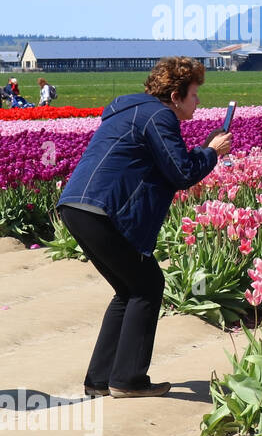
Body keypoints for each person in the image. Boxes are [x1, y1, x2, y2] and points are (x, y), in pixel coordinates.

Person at [56, 57, 233, 398]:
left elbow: (167, 164)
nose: (199, 101)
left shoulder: (130, 110)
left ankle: (100, 380)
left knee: (130, 289)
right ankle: (127, 380)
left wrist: (204, 150)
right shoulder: (160, 116)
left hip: (77, 205)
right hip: (103, 211)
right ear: (177, 94)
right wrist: (211, 153)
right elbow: (181, 173)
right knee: (148, 284)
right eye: (195, 94)